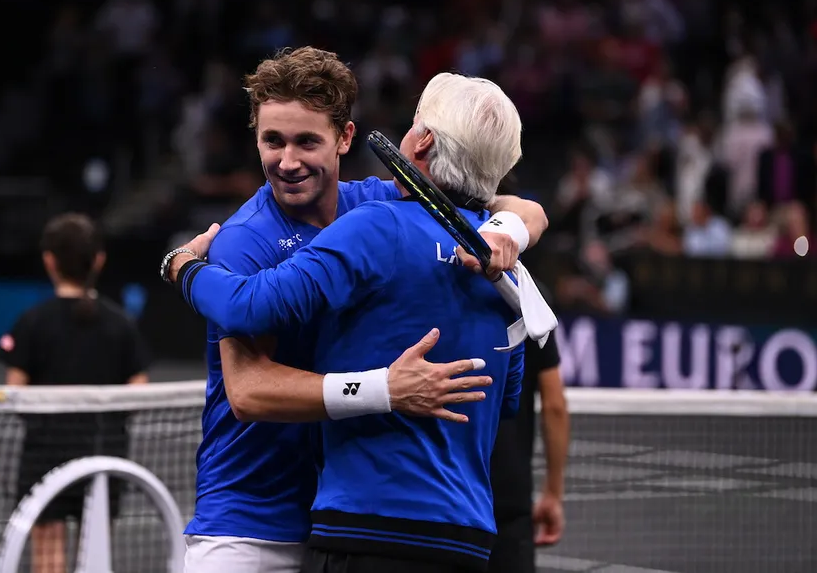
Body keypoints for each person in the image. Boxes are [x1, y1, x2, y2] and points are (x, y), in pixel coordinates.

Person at [159, 47, 548, 573]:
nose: (287, 161)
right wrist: (180, 262)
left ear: (344, 138)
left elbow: (501, 202)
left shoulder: (373, 207)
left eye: (306, 141)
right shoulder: (242, 243)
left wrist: (511, 230)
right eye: (272, 140)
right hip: (252, 527)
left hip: (339, 518)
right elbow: (248, 392)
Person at [0, 213, 150, 573]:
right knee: (94, 558)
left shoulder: (32, 322)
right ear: (99, 259)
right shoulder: (121, 324)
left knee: (48, 560)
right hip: (104, 457)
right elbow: (140, 395)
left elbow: (14, 392)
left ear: (49, 260)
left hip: (44, 460)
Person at [488, 332, 570, 573]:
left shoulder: (434, 297)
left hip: (449, 493)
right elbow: (554, 406)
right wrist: (553, 493)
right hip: (510, 499)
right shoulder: (530, 299)